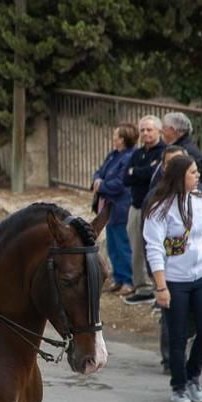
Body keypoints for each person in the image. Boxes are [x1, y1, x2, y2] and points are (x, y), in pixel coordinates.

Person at [143, 155, 202, 402]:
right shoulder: (159, 208)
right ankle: (178, 385)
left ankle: (193, 375)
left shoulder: (200, 201)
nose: (198, 176)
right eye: (193, 172)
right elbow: (154, 248)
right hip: (174, 280)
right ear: (180, 176)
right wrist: (161, 286)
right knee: (177, 336)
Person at [122, 115, 165, 303]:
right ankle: (141, 286)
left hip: (153, 209)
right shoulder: (137, 153)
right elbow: (126, 177)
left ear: (159, 131)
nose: (146, 133)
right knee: (136, 248)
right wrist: (142, 171)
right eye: (143, 130)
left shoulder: (163, 152)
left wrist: (137, 172)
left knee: (153, 248)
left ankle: (157, 286)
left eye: (149, 129)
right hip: (135, 206)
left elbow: (151, 175)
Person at [92, 123, 137, 292]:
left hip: (121, 207)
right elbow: (99, 172)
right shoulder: (113, 155)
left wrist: (102, 185)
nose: (113, 138)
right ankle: (118, 277)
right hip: (109, 207)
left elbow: (120, 183)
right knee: (112, 245)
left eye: (116, 136)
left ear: (124, 139)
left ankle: (128, 280)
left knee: (122, 244)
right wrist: (98, 180)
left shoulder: (128, 158)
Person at [161, 112, 202, 182]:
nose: (161, 131)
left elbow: (194, 182)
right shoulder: (176, 147)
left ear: (172, 130)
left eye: (164, 127)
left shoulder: (187, 152)